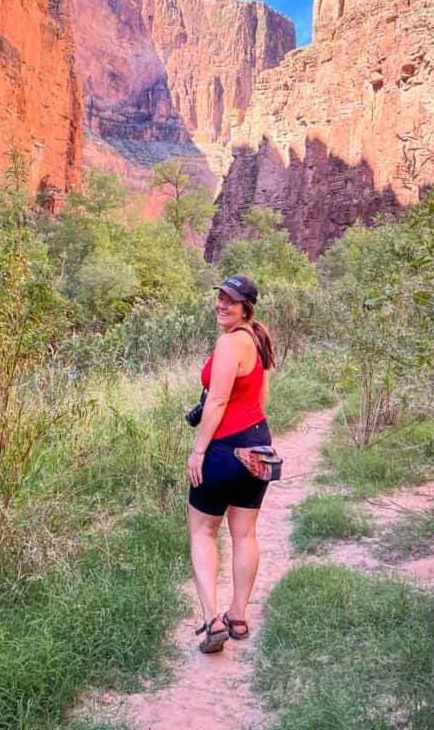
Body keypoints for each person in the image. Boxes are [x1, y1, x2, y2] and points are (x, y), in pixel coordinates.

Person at [186, 273, 276, 653]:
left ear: (245, 308)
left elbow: (218, 402)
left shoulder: (229, 343)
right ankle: (238, 616)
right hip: (257, 446)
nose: (222, 305)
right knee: (244, 534)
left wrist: (199, 450)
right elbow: (261, 398)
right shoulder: (256, 341)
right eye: (220, 297)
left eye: (231, 301)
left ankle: (212, 619)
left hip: (223, 448)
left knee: (203, 532)